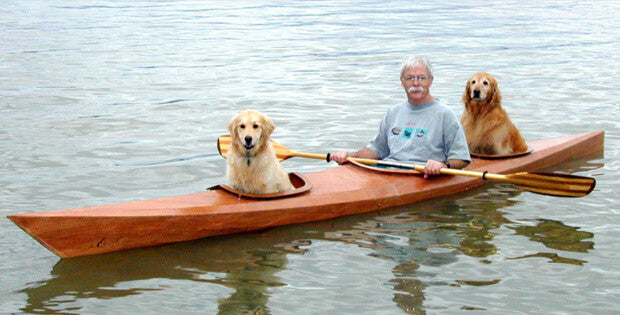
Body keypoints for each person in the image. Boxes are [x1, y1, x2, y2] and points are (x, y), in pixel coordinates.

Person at [330, 55, 471, 178]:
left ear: (430, 80)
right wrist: (348, 157)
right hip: (389, 172)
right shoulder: (393, 112)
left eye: (421, 78)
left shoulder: (445, 115)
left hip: (422, 175)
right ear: (402, 81)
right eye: (410, 78)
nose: (416, 83)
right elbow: (376, 151)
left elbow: (461, 158)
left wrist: (443, 165)